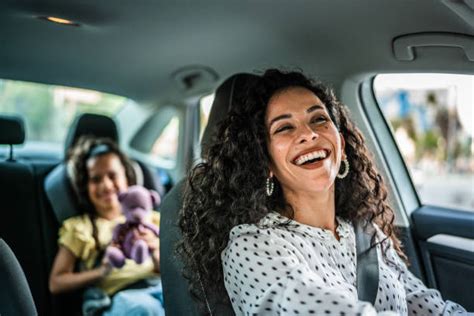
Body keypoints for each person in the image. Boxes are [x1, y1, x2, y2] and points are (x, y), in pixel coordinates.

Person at [178, 70, 469, 315]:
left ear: (341, 144)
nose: (308, 134)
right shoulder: (252, 246)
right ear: (265, 162)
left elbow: (431, 308)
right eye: (284, 128)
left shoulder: (367, 234)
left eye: (318, 119)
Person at [49, 136, 164, 316]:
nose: (106, 185)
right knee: (146, 310)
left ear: (127, 177)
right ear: (84, 187)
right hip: (120, 298)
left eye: (112, 175)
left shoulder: (153, 220)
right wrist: (101, 272)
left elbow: (175, 272)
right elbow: (56, 282)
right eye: (95, 179)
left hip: (159, 288)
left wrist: (155, 251)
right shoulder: (81, 228)